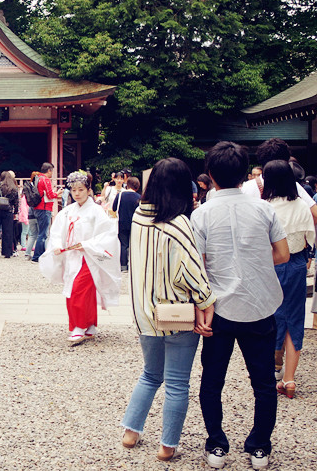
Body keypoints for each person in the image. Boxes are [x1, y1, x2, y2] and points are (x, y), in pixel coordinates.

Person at [191, 141, 289, 470]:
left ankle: (217, 444)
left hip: (218, 308)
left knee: (212, 379)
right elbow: (283, 254)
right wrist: (256, 265)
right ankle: (259, 446)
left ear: (211, 176)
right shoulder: (264, 209)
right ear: (244, 175)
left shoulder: (201, 213)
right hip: (260, 303)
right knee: (263, 382)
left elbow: (198, 265)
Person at [120, 158, 215, 461]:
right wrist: (206, 300)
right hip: (177, 316)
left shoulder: (138, 217)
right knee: (176, 383)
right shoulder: (178, 223)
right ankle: (167, 445)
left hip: (146, 314)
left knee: (150, 374)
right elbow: (190, 271)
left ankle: (132, 431)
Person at [38, 170, 121, 344]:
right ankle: (89, 324)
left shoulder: (97, 211)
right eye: (74, 190)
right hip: (71, 257)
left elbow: (108, 233)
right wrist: (57, 246)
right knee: (78, 290)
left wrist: (88, 245)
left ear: (88, 190)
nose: (77, 193)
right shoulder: (67, 211)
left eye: (81, 190)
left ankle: (79, 326)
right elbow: (56, 231)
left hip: (89, 257)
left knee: (79, 290)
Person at [261, 160, 314, 399]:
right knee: (295, 318)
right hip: (296, 265)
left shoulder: (264, 207)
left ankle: (270, 367)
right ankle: (289, 380)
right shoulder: (302, 205)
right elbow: (308, 239)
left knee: (270, 316)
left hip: (270, 264)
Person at [242, 138, 317, 224]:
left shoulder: (247, 187)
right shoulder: (293, 185)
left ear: (261, 160)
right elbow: (315, 213)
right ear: (286, 162)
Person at [0, 170, 19, 258]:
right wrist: (15, 212)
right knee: (8, 232)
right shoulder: (13, 187)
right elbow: (16, 201)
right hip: (8, 211)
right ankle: (7, 253)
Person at [112, 176, 141, 272]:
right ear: (137, 186)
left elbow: (114, 208)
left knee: (123, 245)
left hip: (122, 223)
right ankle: (133, 265)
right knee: (134, 244)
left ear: (127, 185)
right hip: (135, 224)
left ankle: (123, 266)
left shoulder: (120, 195)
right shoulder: (139, 197)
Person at [31, 162, 58, 262]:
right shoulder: (45, 179)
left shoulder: (37, 178)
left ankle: (40, 255)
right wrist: (57, 193)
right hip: (44, 207)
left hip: (38, 207)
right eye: (52, 171)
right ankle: (37, 256)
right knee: (43, 234)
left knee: (41, 233)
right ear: (49, 170)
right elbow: (50, 195)